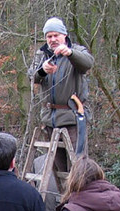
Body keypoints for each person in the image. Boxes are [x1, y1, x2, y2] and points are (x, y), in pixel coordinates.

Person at [27, 17, 94, 174]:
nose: (53, 39)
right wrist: (42, 70)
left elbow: (88, 63)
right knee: (58, 168)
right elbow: (31, 77)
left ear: (64, 35)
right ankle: (63, 198)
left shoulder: (78, 50)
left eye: (56, 35)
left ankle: (80, 197)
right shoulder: (42, 54)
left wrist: (70, 53)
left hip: (73, 117)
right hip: (49, 118)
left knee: (78, 167)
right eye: (49, 36)